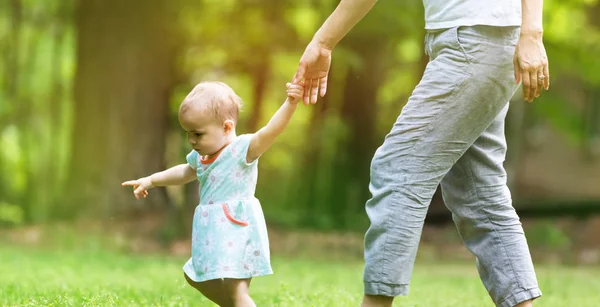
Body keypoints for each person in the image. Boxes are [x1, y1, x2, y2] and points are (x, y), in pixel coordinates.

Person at [292, 0, 550, 306]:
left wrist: (532, 32)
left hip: (475, 38)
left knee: (398, 167)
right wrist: (323, 42)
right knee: (479, 194)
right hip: (472, 39)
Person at [122, 80, 304, 307]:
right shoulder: (202, 156)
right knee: (194, 275)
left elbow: (271, 131)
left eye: (198, 134)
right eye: (188, 133)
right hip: (212, 232)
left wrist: (291, 103)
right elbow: (184, 172)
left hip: (237, 230)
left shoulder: (242, 150)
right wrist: (151, 180)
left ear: (227, 127)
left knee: (237, 291)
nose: (191, 140)